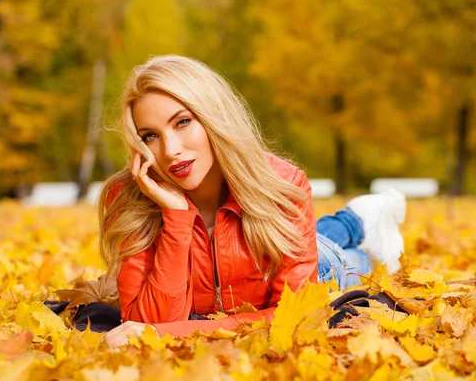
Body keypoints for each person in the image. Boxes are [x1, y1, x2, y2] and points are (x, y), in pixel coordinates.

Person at [98, 55, 406, 348]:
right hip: (270, 266)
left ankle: (359, 226)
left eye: (182, 122)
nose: (170, 150)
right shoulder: (131, 199)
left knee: (345, 263)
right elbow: (146, 325)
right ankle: (358, 220)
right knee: (319, 238)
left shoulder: (281, 184)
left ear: (213, 117)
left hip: (320, 269)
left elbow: (291, 316)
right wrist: (176, 216)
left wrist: (173, 333)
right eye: (150, 135)